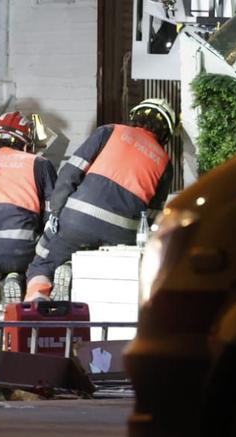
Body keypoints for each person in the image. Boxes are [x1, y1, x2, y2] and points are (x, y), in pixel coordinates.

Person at [25, 98, 176, 301]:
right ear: (166, 132)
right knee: (98, 267)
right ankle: (71, 270)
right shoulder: (165, 162)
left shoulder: (109, 131)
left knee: (42, 262)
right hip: (122, 234)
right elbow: (151, 215)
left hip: (78, 219)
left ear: (135, 116)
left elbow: (70, 173)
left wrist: (56, 213)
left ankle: (37, 306)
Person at [0, 111, 57, 305]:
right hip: (22, 252)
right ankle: (16, 277)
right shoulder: (40, 164)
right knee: (37, 265)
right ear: (26, 143)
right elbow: (53, 214)